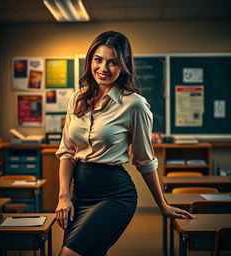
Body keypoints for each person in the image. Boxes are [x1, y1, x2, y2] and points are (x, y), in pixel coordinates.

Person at [55, 31, 194, 256]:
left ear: (124, 66)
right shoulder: (77, 99)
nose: (103, 68)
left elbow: (145, 161)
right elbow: (67, 152)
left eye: (113, 62)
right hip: (79, 194)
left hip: (114, 196)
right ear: (90, 60)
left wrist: (162, 205)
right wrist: (63, 196)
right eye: (98, 59)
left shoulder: (135, 105)